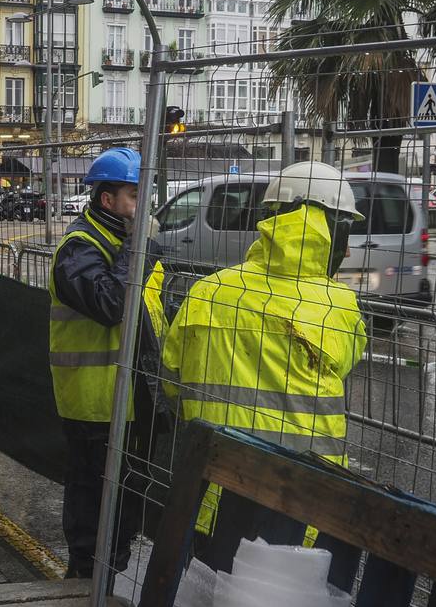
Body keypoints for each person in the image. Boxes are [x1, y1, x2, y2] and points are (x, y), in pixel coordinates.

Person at [159, 161, 368, 545]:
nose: (349, 249)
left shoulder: (207, 292)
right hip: (303, 498)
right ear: (328, 229)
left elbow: (172, 380)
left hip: (213, 490)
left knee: (205, 594)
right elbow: (343, 367)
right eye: (346, 232)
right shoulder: (340, 306)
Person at [47, 146, 167, 579]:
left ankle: (110, 574)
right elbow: (112, 303)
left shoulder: (121, 245)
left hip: (134, 399)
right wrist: (140, 246)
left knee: (126, 497)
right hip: (94, 404)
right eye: (134, 195)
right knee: (93, 498)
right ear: (107, 200)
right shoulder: (79, 248)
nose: (143, 205)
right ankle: (85, 580)